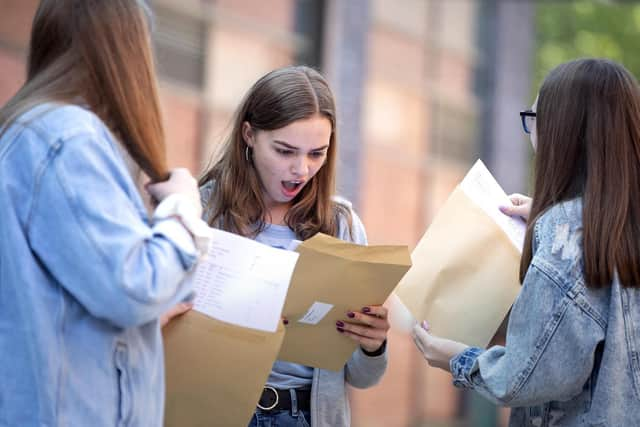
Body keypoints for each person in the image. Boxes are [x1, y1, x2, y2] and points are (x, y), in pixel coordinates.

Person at [0, 1, 210, 426]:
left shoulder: (33, 132)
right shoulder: (68, 139)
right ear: (125, 53)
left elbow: (60, 298)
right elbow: (133, 286)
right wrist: (183, 208)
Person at [412, 58, 640, 426]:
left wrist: (458, 359)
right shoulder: (609, 228)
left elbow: (528, 375)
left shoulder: (565, 233)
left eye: (533, 121)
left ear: (563, 133)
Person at [198, 66, 389, 427]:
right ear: (249, 135)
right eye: (285, 151)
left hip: (307, 416)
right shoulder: (200, 214)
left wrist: (372, 345)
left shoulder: (342, 225)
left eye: (317, 154)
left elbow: (363, 378)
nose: (301, 170)